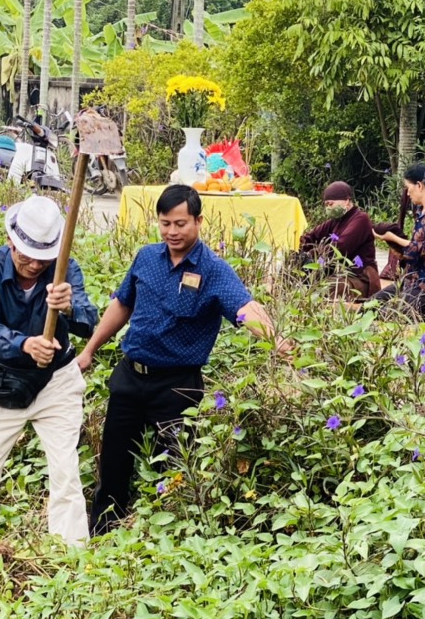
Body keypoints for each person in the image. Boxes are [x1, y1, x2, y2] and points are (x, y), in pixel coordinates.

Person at [77, 185, 286, 535]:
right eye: (165, 224)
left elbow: (245, 308)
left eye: (180, 224)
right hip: (130, 375)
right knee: (113, 463)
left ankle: (165, 537)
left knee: (175, 468)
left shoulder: (214, 269)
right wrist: (90, 350)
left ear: (198, 221)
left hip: (177, 387)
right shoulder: (146, 257)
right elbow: (122, 304)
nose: (172, 232)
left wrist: (274, 340)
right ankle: (103, 530)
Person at [0, 196, 99, 547]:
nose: (34, 264)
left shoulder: (66, 270)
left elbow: (89, 319)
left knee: (66, 471)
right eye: (25, 254)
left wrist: (68, 308)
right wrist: (25, 345)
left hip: (56, 382)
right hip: (2, 380)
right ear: (10, 241)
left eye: (43, 257)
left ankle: (71, 551)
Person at [370, 163, 425, 320]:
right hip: (411, 279)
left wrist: (395, 238)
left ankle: (424, 312)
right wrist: (393, 241)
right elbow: (413, 249)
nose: (408, 193)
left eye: (409, 188)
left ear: (419, 186)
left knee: (387, 315)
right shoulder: (420, 211)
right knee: (370, 307)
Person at [296, 180, 381, 300]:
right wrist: (303, 254)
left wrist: (313, 254)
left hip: (359, 277)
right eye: (326, 205)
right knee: (299, 278)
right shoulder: (335, 221)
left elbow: (340, 247)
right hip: (337, 273)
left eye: (331, 204)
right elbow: (310, 236)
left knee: (323, 289)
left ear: (346, 201)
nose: (328, 208)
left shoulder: (361, 219)